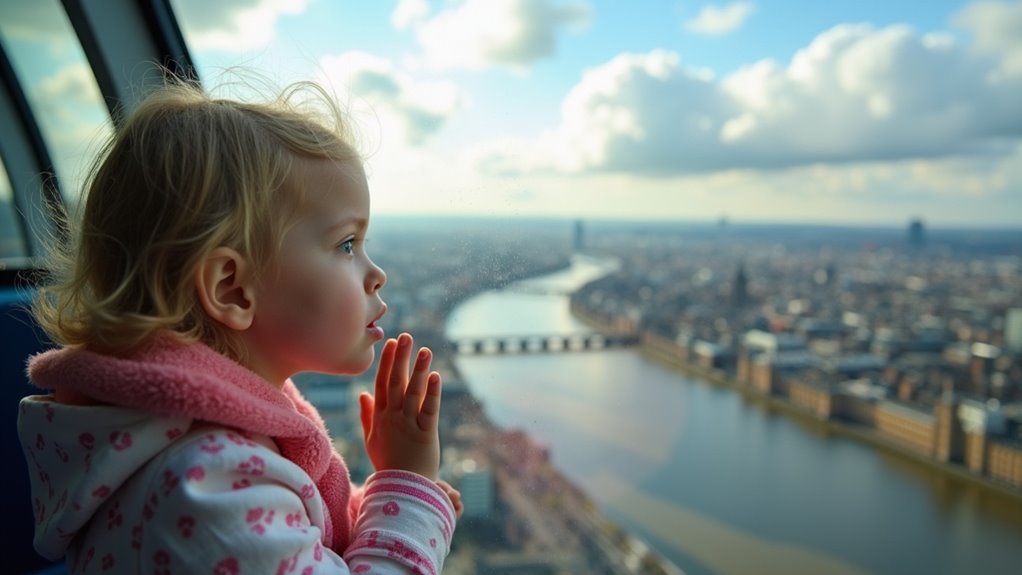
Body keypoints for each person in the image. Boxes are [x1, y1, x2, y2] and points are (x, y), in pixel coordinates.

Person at [18, 77, 462, 574]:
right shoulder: (211, 487)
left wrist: (392, 501)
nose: (376, 274)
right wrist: (407, 491)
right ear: (232, 289)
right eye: (346, 245)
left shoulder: (203, 448)